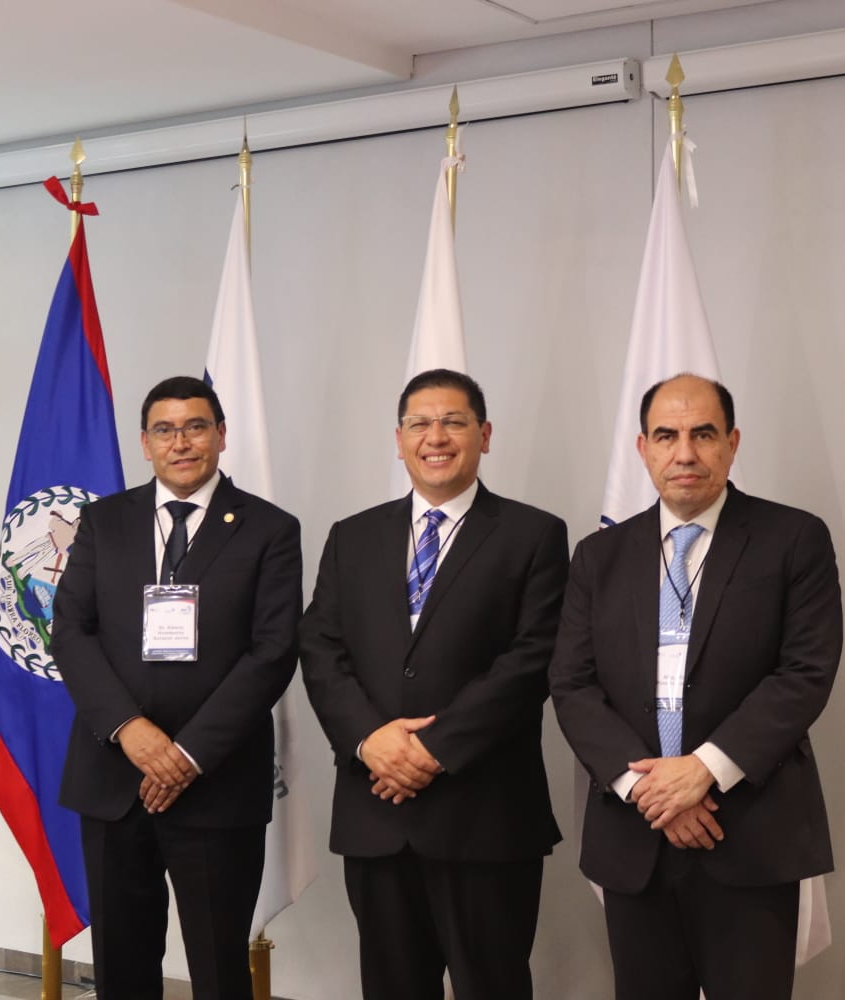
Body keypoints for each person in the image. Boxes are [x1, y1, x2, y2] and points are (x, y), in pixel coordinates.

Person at [549, 373, 842, 1000]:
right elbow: (571, 684)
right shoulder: (598, 557)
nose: (685, 453)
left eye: (703, 434)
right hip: (636, 835)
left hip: (750, 833)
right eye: (667, 436)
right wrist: (651, 789)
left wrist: (703, 770)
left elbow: (805, 672)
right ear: (643, 449)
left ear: (732, 443)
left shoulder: (794, 539)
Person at [299, 368, 567, 1000]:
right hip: (376, 811)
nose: (436, 437)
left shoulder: (534, 534)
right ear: (399, 440)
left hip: (485, 815)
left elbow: (533, 659)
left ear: (485, 435)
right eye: (419, 424)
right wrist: (369, 741)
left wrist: (431, 750)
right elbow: (321, 647)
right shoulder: (352, 536)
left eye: (453, 422)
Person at [52, 375, 301, 1000]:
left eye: (195, 427)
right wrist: (129, 729)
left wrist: (186, 754)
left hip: (216, 783)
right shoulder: (104, 521)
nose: (181, 442)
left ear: (221, 435)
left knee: (219, 970)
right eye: (164, 430)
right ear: (145, 443)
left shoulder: (269, 528)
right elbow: (71, 632)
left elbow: (272, 652)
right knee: (121, 967)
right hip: (114, 777)